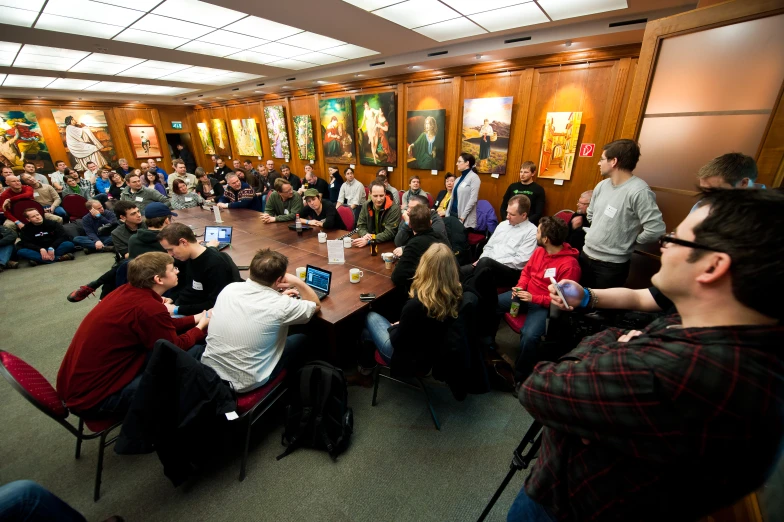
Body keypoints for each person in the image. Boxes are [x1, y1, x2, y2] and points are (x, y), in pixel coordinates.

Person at [509, 188, 784, 522]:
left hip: (571, 505)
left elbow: (539, 387)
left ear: (713, 265)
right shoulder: (726, 320)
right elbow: (642, 300)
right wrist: (590, 302)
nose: (663, 245)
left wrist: (610, 341)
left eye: (677, 239)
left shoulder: (676, 372)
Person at [57, 252, 210, 418]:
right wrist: (200, 327)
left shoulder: (124, 292)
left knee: (182, 355)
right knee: (193, 355)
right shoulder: (148, 308)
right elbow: (174, 347)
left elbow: (160, 327)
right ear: (159, 279)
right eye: (173, 269)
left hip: (80, 388)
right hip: (96, 401)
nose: (177, 271)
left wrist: (195, 318)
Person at [201, 248, 320, 392]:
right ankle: (296, 388)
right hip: (247, 382)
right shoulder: (281, 306)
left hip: (208, 371)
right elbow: (315, 305)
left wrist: (278, 296)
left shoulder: (229, 289)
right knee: (302, 338)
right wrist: (297, 282)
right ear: (279, 280)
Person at [348, 242, 462, 387]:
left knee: (369, 316)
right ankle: (364, 372)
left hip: (405, 357)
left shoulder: (417, 305)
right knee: (367, 333)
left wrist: (395, 326)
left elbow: (397, 340)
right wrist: (402, 324)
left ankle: (362, 370)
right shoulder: (456, 294)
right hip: (430, 354)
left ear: (424, 266)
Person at [496, 217, 581, 387]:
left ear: (546, 239)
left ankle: (520, 377)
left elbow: (563, 300)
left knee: (529, 336)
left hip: (542, 305)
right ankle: (488, 346)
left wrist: (533, 298)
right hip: (524, 295)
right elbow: (527, 272)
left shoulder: (570, 266)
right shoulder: (540, 251)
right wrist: (520, 287)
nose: (535, 233)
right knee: (491, 303)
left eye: (538, 231)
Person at [582, 140, 665, 288]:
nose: (598, 163)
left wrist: (628, 240)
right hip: (586, 255)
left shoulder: (639, 191)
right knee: (577, 303)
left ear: (613, 161)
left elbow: (656, 229)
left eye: (601, 159)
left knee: (601, 310)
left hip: (611, 267)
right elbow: (591, 214)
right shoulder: (601, 185)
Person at [158, 223, 241, 316]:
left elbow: (216, 303)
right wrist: (173, 298)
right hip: (184, 305)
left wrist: (177, 309)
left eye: (171, 249)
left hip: (199, 313)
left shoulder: (215, 264)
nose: (170, 254)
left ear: (184, 242)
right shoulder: (186, 258)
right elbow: (189, 286)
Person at [460, 194, 537, 286]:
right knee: (454, 272)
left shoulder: (532, 232)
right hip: (485, 264)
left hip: (509, 271)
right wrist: (480, 260)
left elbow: (521, 261)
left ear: (524, 215)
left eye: (512, 214)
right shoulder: (503, 225)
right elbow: (489, 247)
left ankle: (467, 287)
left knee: (482, 267)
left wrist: (491, 261)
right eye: (507, 212)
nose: (507, 216)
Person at [391, 202, 450, 292]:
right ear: (430, 223)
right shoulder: (442, 238)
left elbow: (397, 277)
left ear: (410, 225)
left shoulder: (415, 244)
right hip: (448, 287)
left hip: (428, 292)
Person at [689, 152, 763, 212]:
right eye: (704, 192)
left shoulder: (768, 215)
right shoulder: (701, 204)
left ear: (744, 183)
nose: (706, 198)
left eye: (714, 192)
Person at [354, 179, 400, 247]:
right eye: (375, 196)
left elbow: (389, 233)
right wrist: (365, 234)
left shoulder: (394, 209)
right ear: (370, 194)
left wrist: (370, 239)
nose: (378, 199)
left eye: (381, 196)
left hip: (387, 245)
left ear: (385, 193)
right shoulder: (366, 205)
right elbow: (361, 225)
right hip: (369, 243)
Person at [447, 153, 480, 229]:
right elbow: (452, 197)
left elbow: (473, 199)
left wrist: (463, 216)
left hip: (463, 218)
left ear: (467, 163)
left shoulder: (474, 178)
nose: (456, 164)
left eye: (459, 161)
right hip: (452, 214)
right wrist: (447, 213)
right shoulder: (458, 179)